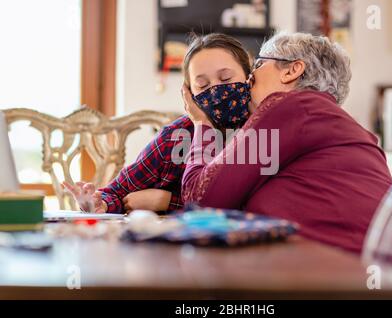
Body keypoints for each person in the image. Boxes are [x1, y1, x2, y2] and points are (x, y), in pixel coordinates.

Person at [181, 32, 392, 253]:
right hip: (381, 276)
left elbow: (199, 201)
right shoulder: (341, 126)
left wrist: (201, 123)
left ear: (291, 70)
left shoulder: (289, 106)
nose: (249, 78)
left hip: (338, 273)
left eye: (258, 65)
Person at [63, 33, 252, 215]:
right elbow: (116, 193)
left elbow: (250, 206)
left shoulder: (269, 130)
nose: (215, 90)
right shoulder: (174, 137)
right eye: (202, 86)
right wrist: (98, 203)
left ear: (249, 77)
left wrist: (166, 201)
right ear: (188, 94)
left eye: (226, 78)